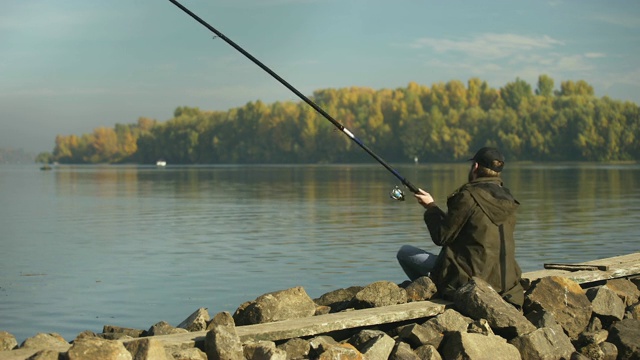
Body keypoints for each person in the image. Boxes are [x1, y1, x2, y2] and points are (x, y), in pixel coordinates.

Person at [397, 147, 524, 308]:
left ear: (476, 167)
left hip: (470, 282)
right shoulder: (508, 199)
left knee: (405, 252)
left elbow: (441, 236)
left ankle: (431, 292)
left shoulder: (467, 196)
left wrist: (431, 208)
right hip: (506, 283)